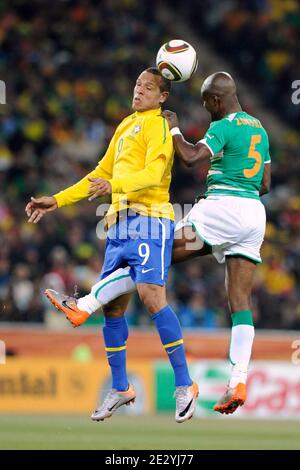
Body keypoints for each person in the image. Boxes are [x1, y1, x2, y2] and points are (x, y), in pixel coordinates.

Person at [42, 71, 271, 415]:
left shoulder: (221, 125)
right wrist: (59, 199)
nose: (206, 109)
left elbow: (191, 157)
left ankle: (85, 304)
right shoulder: (260, 128)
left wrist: (178, 129)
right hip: (254, 215)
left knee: (156, 265)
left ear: (216, 100)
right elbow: (265, 183)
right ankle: (238, 379)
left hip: (221, 206)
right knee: (240, 302)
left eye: (207, 103)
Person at [25, 67, 198, 423]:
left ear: (163, 96)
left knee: (152, 295)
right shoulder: (124, 126)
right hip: (117, 224)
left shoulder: (159, 126)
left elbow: (151, 174)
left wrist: (114, 184)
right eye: (137, 85)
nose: (139, 91)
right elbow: (98, 175)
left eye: (148, 88)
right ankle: (120, 387)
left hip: (150, 218)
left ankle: (185, 384)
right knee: (115, 309)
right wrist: (56, 200)